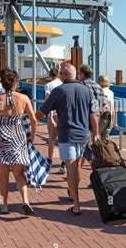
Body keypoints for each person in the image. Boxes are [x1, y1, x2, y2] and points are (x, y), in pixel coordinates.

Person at [35, 62, 99, 216]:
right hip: (84, 135)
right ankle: (72, 192)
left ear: (64, 75)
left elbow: (42, 111)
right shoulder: (86, 90)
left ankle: (76, 205)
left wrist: (29, 120)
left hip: (67, 135)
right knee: (77, 166)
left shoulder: (59, 91)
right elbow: (93, 116)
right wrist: (95, 133)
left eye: (61, 73)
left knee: (70, 168)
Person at [0, 68, 37, 215]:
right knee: (19, 173)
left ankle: (3, 206)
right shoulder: (23, 98)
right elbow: (34, 120)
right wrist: (32, 136)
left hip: (2, 136)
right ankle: (25, 201)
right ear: (15, 82)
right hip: (18, 136)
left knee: (3, 174)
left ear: (3, 84)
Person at [77, 65, 106, 168]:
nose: (77, 75)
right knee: (87, 145)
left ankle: (96, 167)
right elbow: (103, 107)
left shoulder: (80, 86)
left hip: (83, 121)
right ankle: (78, 168)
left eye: (79, 73)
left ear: (82, 74)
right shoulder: (98, 86)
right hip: (96, 121)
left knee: (84, 147)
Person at [44, 67, 66, 174]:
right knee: (62, 139)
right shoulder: (62, 84)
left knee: (52, 138)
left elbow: (48, 102)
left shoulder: (48, 86)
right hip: (63, 114)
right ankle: (63, 163)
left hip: (54, 114)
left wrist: (51, 117)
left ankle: (50, 159)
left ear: (50, 75)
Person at [97, 75, 115, 139]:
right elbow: (112, 108)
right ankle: (104, 149)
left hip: (101, 118)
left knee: (95, 137)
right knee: (105, 139)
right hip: (109, 118)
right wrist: (113, 121)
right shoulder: (111, 93)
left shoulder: (98, 92)